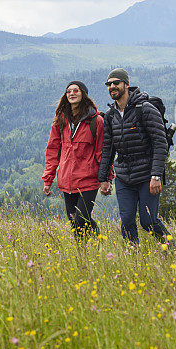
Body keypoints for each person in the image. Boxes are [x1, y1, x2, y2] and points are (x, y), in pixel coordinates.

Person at [98, 68, 173, 246]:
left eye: (116, 83)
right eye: (109, 84)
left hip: (147, 175)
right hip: (124, 177)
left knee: (148, 222)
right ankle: (133, 256)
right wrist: (103, 179)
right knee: (127, 221)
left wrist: (156, 175)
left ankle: (171, 249)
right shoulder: (110, 115)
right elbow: (108, 149)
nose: (112, 87)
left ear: (126, 84)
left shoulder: (145, 109)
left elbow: (160, 143)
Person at [43, 80, 108, 239]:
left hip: (88, 179)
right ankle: (83, 253)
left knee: (81, 218)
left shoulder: (96, 121)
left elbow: (103, 151)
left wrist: (106, 178)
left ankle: (97, 239)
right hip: (67, 180)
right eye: (68, 91)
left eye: (76, 91)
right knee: (73, 221)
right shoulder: (60, 120)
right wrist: (48, 179)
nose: (71, 93)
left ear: (83, 94)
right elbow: (52, 150)